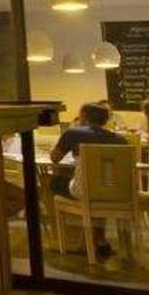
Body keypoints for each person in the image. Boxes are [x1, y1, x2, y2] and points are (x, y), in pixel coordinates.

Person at [50, 102, 126, 258]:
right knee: (97, 188)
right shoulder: (121, 140)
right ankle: (99, 239)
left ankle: (67, 238)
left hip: (82, 192)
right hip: (113, 193)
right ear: (105, 120)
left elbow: (55, 158)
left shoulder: (73, 134)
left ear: (84, 117)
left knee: (52, 182)